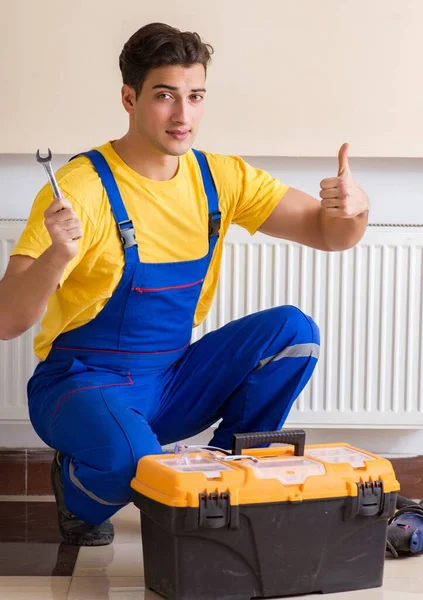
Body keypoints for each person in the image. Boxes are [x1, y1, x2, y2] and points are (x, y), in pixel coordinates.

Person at [0, 23, 369, 546]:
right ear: (129, 98)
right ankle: (76, 487)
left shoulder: (219, 178)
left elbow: (328, 234)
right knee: (135, 462)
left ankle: (223, 480)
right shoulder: (81, 190)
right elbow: (6, 321)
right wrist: (56, 254)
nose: (183, 116)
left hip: (173, 376)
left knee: (293, 331)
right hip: (82, 382)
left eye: (195, 97)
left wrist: (354, 211)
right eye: (164, 96)